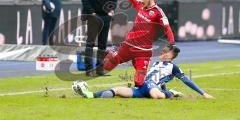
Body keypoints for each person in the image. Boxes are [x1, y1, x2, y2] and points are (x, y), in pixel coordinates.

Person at [102, 0, 175, 87]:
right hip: (128, 46)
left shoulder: (158, 12)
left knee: (139, 82)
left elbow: (167, 27)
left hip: (143, 52)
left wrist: (172, 42)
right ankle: (113, 53)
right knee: (107, 65)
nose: (141, 1)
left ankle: (158, 86)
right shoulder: (140, 4)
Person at [73, 45, 214, 99]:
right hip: (142, 87)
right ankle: (89, 95)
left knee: (155, 94)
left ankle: (172, 93)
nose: (162, 52)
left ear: (170, 56)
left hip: (152, 87)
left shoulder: (173, 68)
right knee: (116, 90)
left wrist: (203, 93)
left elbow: (186, 80)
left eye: (165, 52)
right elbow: (162, 80)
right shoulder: (156, 63)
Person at [81, 0, 117, 76]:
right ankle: (88, 69)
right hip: (93, 16)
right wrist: (91, 13)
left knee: (103, 44)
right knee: (90, 43)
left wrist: (111, 10)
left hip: (106, 17)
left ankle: (100, 69)